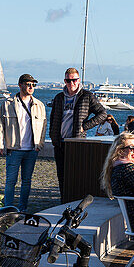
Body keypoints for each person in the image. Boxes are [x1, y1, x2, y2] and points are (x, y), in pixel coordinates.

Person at [48, 68, 108, 197]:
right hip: (60, 143)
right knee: (61, 175)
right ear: (65, 81)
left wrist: (85, 126)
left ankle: (75, 200)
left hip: (76, 142)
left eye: (74, 80)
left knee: (76, 175)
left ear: (79, 80)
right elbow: (53, 118)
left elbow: (102, 114)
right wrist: (53, 135)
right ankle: (63, 200)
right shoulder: (59, 98)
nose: (71, 83)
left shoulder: (87, 96)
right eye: (68, 80)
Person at [0, 74, 47, 213]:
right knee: (10, 181)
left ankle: (23, 208)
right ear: (20, 85)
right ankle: (8, 209)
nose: (31, 87)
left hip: (31, 149)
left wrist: (39, 144)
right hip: (14, 148)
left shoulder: (39, 105)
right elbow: (0, 125)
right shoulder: (8, 104)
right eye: (28, 84)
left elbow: (43, 127)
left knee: (26, 181)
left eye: (33, 85)